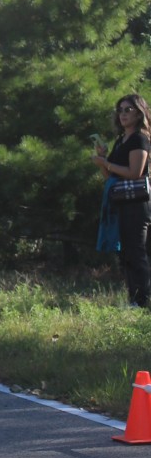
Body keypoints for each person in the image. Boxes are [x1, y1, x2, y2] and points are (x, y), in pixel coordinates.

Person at [93, 93, 151, 307]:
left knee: (136, 252)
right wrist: (103, 160)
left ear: (139, 113)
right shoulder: (121, 141)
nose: (123, 114)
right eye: (120, 110)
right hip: (121, 202)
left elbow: (135, 173)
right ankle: (133, 298)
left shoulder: (139, 139)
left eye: (128, 109)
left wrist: (106, 163)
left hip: (137, 204)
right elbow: (111, 177)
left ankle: (142, 301)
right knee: (126, 253)